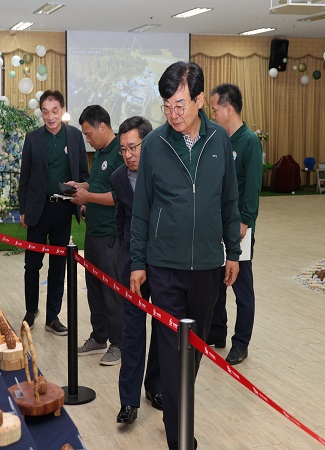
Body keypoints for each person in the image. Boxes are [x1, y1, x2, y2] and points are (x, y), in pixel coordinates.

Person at [129, 61, 241, 450]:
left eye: (179, 105)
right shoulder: (156, 145)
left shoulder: (219, 141)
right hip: (165, 267)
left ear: (198, 100)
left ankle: (175, 407)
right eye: (166, 106)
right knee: (172, 351)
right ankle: (180, 439)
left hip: (209, 266)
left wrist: (233, 252)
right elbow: (141, 208)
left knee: (194, 351)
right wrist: (138, 263)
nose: (173, 115)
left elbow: (230, 201)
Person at [18, 90, 89, 335]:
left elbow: (83, 175)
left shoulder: (75, 137)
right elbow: (24, 177)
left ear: (63, 110)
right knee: (32, 264)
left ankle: (52, 316)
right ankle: (31, 310)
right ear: (41, 112)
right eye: (45, 112)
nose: (50, 117)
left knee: (59, 266)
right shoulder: (33, 138)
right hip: (38, 210)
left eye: (55, 111)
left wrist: (81, 199)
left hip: (62, 210)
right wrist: (23, 209)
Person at [208, 83, 263, 366]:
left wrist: (244, 223)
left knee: (241, 285)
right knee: (216, 283)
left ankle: (240, 343)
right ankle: (216, 332)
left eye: (215, 109)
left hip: (238, 228)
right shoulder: (220, 139)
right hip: (216, 224)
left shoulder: (249, 142)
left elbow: (252, 188)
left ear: (228, 109)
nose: (213, 114)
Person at [111, 116, 161, 424]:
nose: (128, 154)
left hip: (164, 264)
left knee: (162, 329)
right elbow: (121, 218)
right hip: (132, 264)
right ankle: (128, 402)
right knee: (132, 331)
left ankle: (154, 387)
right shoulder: (118, 177)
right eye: (123, 149)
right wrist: (123, 253)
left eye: (133, 147)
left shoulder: (163, 171)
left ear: (147, 143)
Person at [68, 105, 124, 366]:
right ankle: (99, 335)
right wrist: (81, 186)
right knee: (94, 289)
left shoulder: (120, 153)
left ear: (103, 127)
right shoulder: (101, 152)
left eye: (89, 134)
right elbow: (100, 184)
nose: (87, 140)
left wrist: (88, 197)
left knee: (112, 290)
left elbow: (119, 196)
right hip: (94, 232)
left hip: (111, 235)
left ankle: (119, 343)